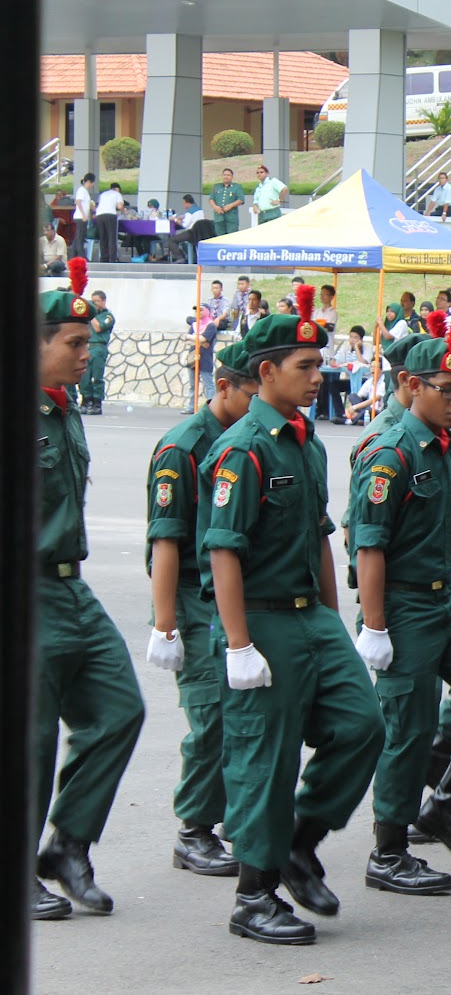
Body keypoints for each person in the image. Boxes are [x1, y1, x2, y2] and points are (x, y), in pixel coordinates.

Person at [197, 287, 385, 945]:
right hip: (262, 619)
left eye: (319, 363)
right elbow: (222, 549)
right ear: (267, 372)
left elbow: (319, 535)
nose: (318, 376)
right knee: (265, 757)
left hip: (311, 617)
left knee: (364, 724)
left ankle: (302, 841)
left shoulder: (306, 443)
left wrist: (337, 626)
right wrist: (238, 643)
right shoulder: (242, 447)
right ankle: (254, 895)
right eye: (305, 366)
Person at [347, 318, 451, 897]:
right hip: (403, 609)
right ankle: (388, 852)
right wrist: (377, 625)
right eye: (448, 390)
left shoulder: (442, 451)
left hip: (444, 601)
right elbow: (368, 545)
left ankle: (450, 801)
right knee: (406, 731)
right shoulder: (389, 453)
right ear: (412, 385)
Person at [33, 264, 147, 921]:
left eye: (87, 341)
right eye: (74, 343)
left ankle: (67, 843)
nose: (86, 353)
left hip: (72, 586)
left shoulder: (64, 408)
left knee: (119, 708)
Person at [144, 342, 257, 881]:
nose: (258, 402)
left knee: (242, 713)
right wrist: (165, 625)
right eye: (250, 393)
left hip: (235, 591)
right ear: (224, 387)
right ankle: (195, 829)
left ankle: (235, 816)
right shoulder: (185, 448)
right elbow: (166, 541)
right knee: (211, 714)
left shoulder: (253, 439)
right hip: (194, 595)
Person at [77, 289, 114, 416]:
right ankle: (86, 400)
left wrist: (91, 315)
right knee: (84, 376)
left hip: (99, 348)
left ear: (103, 301)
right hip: (88, 347)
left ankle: (97, 402)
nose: (94, 304)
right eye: (92, 301)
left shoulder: (107, 316)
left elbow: (98, 328)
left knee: (97, 377)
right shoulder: (89, 317)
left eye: (96, 301)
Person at [163, 195, 208, 264]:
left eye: (184, 203)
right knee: (182, 241)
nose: (184, 205)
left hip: (192, 233)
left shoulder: (189, 212)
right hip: (201, 233)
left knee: (171, 240)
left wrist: (175, 219)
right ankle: (191, 257)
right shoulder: (200, 210)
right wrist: (183, 217)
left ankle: (180, 258)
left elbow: (184, 225)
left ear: (188, 203)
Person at [94, 181, 125, 263]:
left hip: (99, 215)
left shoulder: (103, 194)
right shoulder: (117, 194)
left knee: (103, 237)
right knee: (112, 237)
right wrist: (124, 210)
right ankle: (112, 258)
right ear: (117, 189)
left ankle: (104, 258)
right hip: (110, 215)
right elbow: (120, 206)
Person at [210, 168, 245, 235]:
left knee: (232, 237)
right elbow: (211, 199)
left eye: (228, 175)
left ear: (232, 177)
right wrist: (215, 207)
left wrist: (230, 205)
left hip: (231, 217)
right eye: (224, 175)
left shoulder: (237, 187)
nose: (226, 176)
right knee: (219, 237)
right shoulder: (216, 186)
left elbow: (241, 199)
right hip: (219, 217)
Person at [70, 172, 96, 259]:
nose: (92, 185)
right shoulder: (82, 190)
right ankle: (81, 256)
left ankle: (73, 256)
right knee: (80, 237)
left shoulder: (85, 192)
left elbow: (87, 205)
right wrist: (83, 214)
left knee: (78, 237)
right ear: (88, 182)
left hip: (82, 217)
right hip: (80, 217)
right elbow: (78, 202)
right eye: (92, 183)